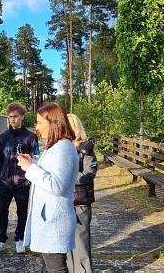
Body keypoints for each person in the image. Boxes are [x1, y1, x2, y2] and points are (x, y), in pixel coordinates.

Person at [18, 103, 78, 272]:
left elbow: (57, 185)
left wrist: (30, 168)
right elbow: (51, 172)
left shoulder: (64, 148)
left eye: (39, 122)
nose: (36, 127)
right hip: (50, 219)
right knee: (51, 267)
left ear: (52, 123)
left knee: (56, 268)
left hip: (54, 221)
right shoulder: (57, 146)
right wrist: (33, 162)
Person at [0, 102, 39, 255]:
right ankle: (1, 241)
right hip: (4, 182)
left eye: (15, 116)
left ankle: (20, 240)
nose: (13, 119)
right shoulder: (3, 137)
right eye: (10, 117)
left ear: (22, 116)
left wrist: (29, 179)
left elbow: (36, 158)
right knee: (2, 211)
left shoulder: (30, 137)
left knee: (22, 211)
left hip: (22, 183)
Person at [66, 114, 98, 273]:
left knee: (81, 245)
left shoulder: (86, 148)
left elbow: (88, 174)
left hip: (80, 201)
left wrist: (66, 177)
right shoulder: (61, 146)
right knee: (66, 245)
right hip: (64, 201)